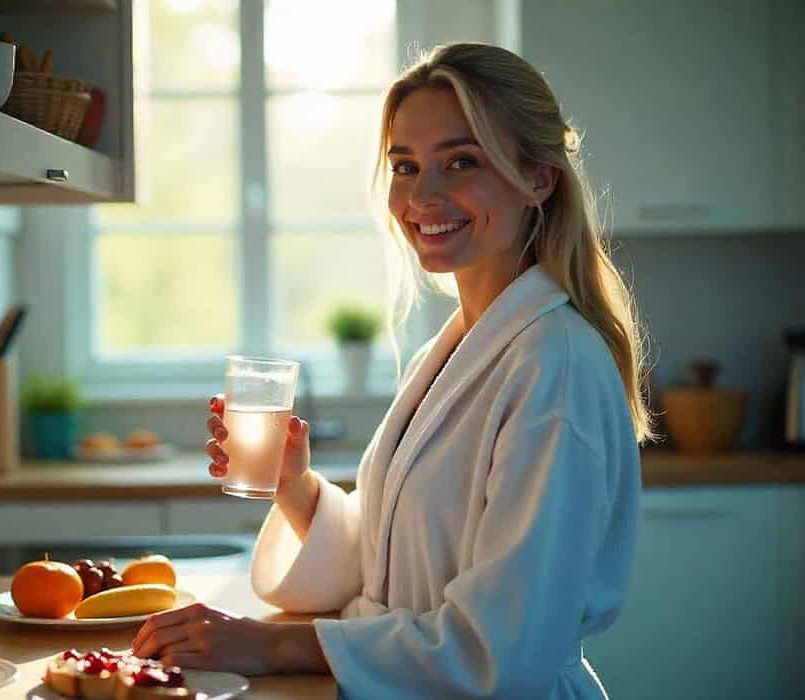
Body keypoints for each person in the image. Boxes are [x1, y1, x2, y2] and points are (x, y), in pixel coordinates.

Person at [132, 42, 652, 699]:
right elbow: (394, 567)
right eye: (405, 166)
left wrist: (269, 644)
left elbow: (502, 648)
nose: (423, 195)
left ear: (539, 178)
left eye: (461, 161)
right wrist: (295, 489)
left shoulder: (556, 367)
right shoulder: (464, 343)